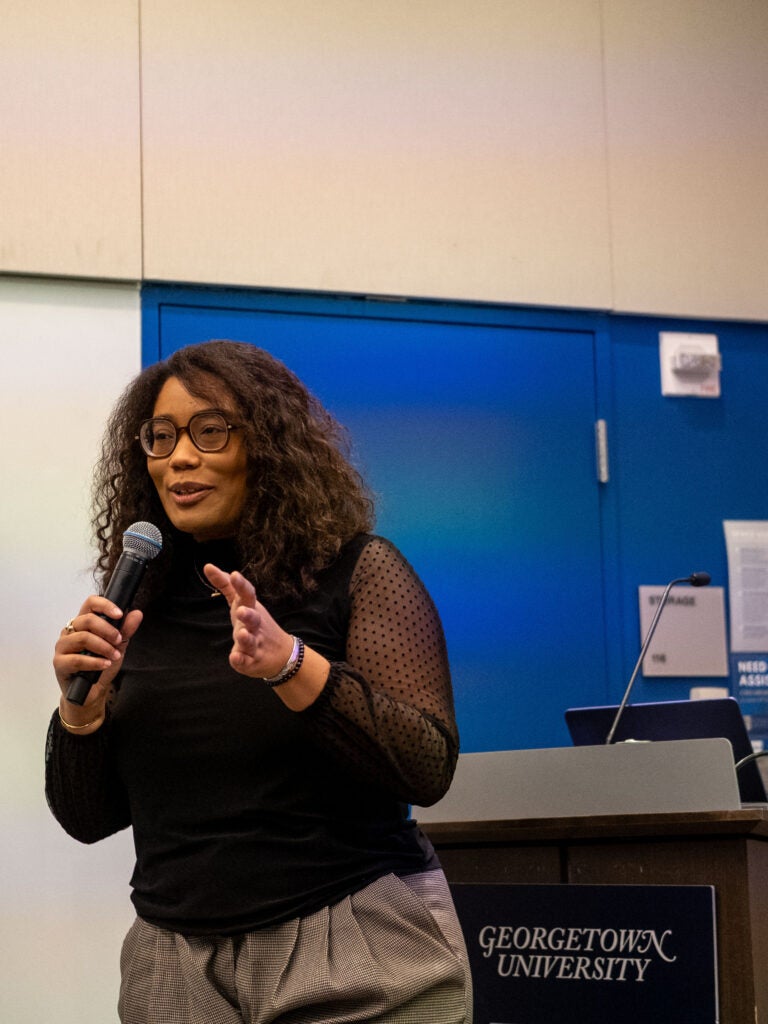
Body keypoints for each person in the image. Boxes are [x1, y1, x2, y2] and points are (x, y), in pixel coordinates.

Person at [46, 339, 472, 1024]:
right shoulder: (139, 604)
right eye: (161, 437)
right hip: (173, 965)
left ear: (268, 447)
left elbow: (427, 765)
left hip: (352, 946)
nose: (181, 457)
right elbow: (88, 820)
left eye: (210, 431)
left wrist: (292, 667)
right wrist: (81, 716)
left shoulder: (358, 573)